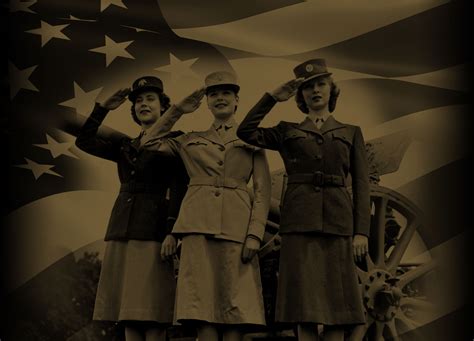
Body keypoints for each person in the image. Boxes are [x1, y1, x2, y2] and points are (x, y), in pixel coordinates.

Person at [236, 59, 370, 341]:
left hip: (338, 225)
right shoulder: (286, 131)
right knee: (302, 305)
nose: (315, 91)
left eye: (321, 84)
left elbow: (361, 186)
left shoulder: (351, 132)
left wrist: (361, 231)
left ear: (331, 90)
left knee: (338, 306)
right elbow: (245, 131)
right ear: (300, 96)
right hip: (298, 225)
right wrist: (273, 97)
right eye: (308, 87)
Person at [142, 71, 271, 341]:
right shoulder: (189, 139)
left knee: (235, 312)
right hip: (197, 229)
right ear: (208, 102)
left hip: (238, 231)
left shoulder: (252, 140)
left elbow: (262, 191)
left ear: (237, 100)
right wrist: (177, 110)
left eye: (226, 93)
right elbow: (149, 142)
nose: (219, 98)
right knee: (201, 311)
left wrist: (255, 234)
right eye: (213, 94)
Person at [75, 76, 189, 341]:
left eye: (150, 99)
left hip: (154, 232)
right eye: (138, 101)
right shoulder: (125, 145)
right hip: (121, 230)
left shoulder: (176, 141)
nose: (143, 104)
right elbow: (84, 141)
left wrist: (172, 231)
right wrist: (102, 108)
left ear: (164, 106)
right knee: (127, 313)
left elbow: (181, 185)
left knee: (152, 312)